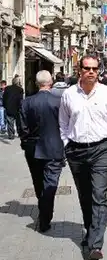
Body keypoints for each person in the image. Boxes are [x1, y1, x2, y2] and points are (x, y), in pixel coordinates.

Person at [59, 55, 107, 260]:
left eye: (94, 68)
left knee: (99, 195)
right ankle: (90, 232)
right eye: (87, 68)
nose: (91, 72)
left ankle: (95, 245)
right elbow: (63, 122)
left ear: (98, 71)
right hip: (77, 151)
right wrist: (66, 144)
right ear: (79, 69)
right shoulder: (69, 95)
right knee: (85, 196)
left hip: (101, 150)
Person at [18, 70, 65, 232]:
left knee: (38, 182)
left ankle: (43, 210)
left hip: (33, 148)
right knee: (50, 184)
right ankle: (45, 217)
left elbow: (22, 128)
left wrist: (26, 141)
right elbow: (64, 126)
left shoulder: (27, 102)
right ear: (50, 82)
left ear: (37, 84)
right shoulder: (59, 101)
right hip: (54, 147)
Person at [3, 75, 24, 139]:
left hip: (9, 107)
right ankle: (19, 133)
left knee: (10, 121)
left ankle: (11, 134)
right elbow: (21, 99)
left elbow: (4, 98)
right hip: (17, 107)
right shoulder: (20, 89)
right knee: (18, 121)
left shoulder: (7, 88)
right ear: (18, 83)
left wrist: (5, 106)